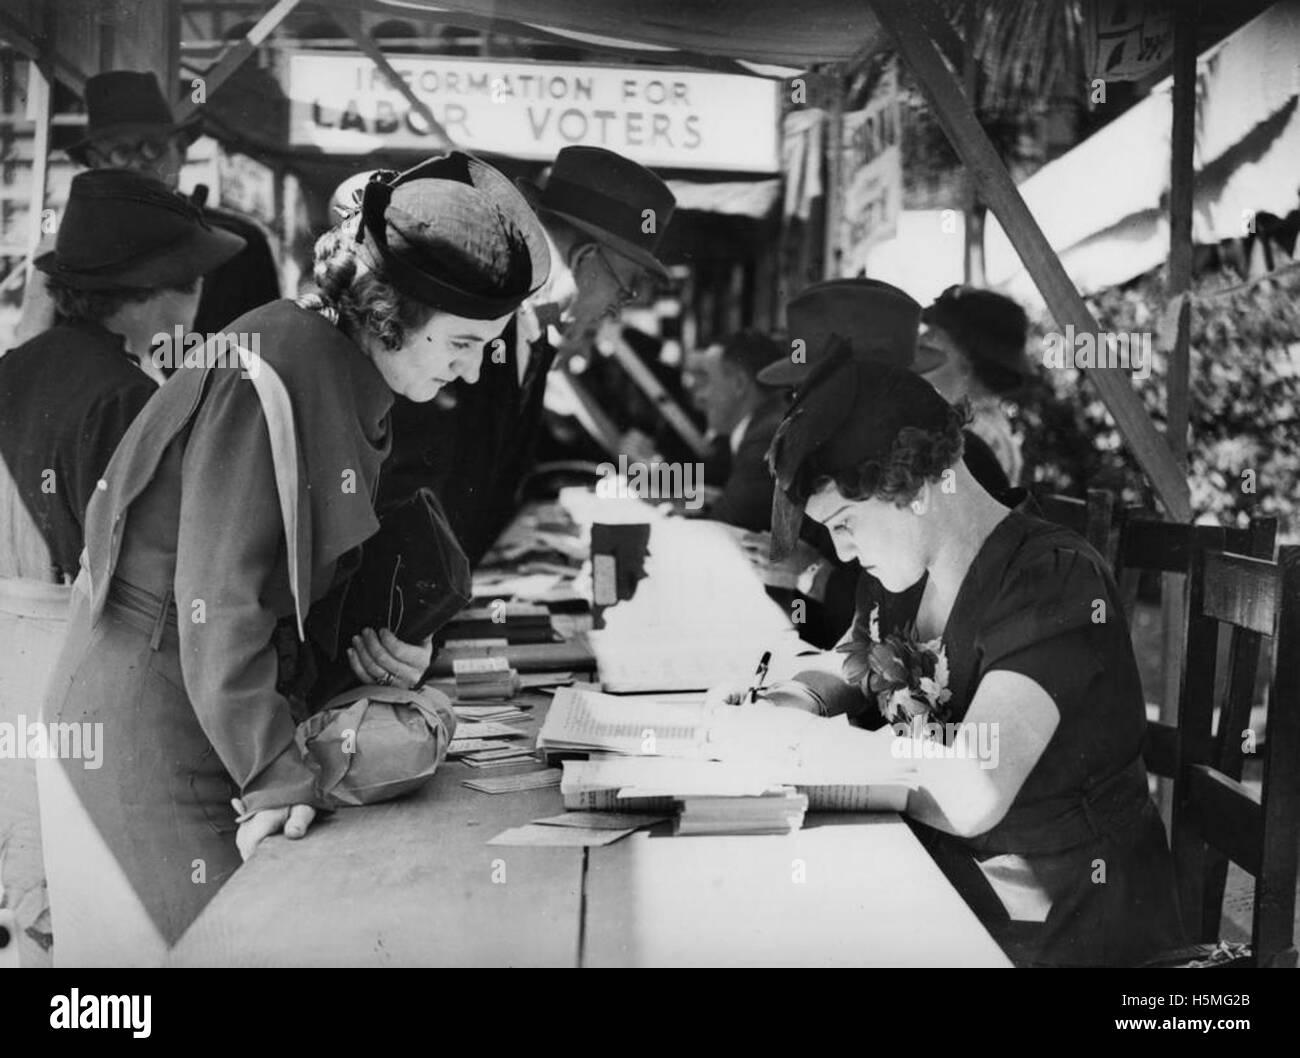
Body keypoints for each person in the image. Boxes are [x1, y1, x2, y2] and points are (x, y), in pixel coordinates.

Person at [37, 152, 549, 964]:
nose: (474, 365)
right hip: (153, 714)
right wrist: (274, 771)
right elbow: (221, 594)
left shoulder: (336, 369)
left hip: (214, 701)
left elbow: (299, 582)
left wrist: (376, 652)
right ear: (390, 312)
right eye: (462, 340)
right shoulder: (275, 368)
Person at [716, 352, 1185, 967]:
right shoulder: (904, 574)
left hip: (1069, 930)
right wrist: (790, 700)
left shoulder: (1053, 582)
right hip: (957, 897)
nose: (843, 551)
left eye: (846, 522)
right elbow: (850, 666)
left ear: (909, 485)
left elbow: (973, 789)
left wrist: (804, 748)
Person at [0, 169, 243, 968]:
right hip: (77, 662)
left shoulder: (15, 370)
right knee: (88, 911)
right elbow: (155, 579)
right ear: (153, 288)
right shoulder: (128, 398)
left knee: (26, 909)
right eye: (191, 276)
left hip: (8, 655)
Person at [379, 145, 677, 564]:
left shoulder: (535, 336)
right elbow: (404, 488)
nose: (619, 305)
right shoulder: (469, 323)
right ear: (586, 259)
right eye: (625, 287)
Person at [16, 71, 280, 347]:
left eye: (153, 148)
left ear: (181, 152)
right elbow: (34, 351)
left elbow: (269, 350)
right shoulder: (63, 252)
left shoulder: (242, 243)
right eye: (120, 152)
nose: (138, 164)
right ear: (95, 161)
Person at [916, 284, 1032, 486]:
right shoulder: (962, 424)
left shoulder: (978, 436)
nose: (919, 342)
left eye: (931, 339)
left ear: (968, 361)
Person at [693, 330, 789, 530]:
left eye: (706, 381)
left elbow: (721, 530)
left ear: (739, 384)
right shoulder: (767, 425)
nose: (700, 396)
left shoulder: (764, 439)